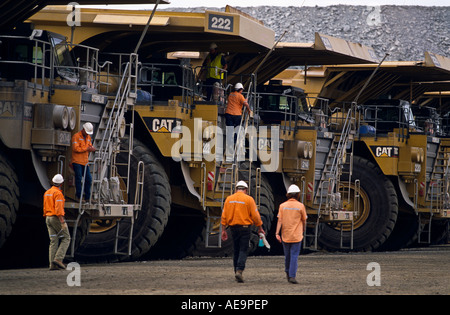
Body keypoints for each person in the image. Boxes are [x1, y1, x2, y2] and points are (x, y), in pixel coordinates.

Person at [221, 180, 264, 283]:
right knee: (243, 249)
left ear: (236, 189)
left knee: (236, 249)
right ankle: (239, 271)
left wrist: (223, 230)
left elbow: (224, 216)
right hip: (245, 228)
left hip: (233, 228)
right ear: (246, 190)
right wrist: (260, 227)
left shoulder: (229, 199)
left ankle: (236, 270)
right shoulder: (249, 199)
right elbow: (256, 216)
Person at [275, 184, 307, 284]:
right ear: (298, 194)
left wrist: (277, 233)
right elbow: (304, 220)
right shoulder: (300, 206)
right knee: (294, 256)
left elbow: (279, 220)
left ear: (288, 194)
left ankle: (288, 273)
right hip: (297, 236)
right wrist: (303, 230)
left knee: (287, 256)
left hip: (285, 235)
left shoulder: (282, 206)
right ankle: (292, 276)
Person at [43, 174, 70, 270]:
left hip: (48, 218)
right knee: (66, 238)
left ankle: (52, 264)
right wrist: (62, 222)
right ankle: (58, 259)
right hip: (55, 218)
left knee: (53, 241)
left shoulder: (47, 192)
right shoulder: (58, 193)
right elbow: (58, 210)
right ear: (61, 183)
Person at [71, 122, 95, 201]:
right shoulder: (76, 136)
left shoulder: (88, 137)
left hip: (85, 162)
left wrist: (91, 148)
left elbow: (89, 146)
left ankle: (87, 197)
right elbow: (75, 148)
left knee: (89, 179)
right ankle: (79, 197)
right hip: (77, 161)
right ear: (83, 129)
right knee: (78, 179)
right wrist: (87, 149)